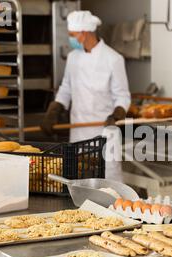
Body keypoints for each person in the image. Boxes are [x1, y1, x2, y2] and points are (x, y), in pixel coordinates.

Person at [41, 10, 130, 180]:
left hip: (104, 133)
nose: (71, 39)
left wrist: (118, 114)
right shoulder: (73, 57)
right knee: (78, 180)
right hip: (78, 131)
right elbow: (66, 88)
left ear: (84, 33)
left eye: (72, 34)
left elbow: (122, 96)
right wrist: (54, 110)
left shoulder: (113, 59)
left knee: (108, 183)